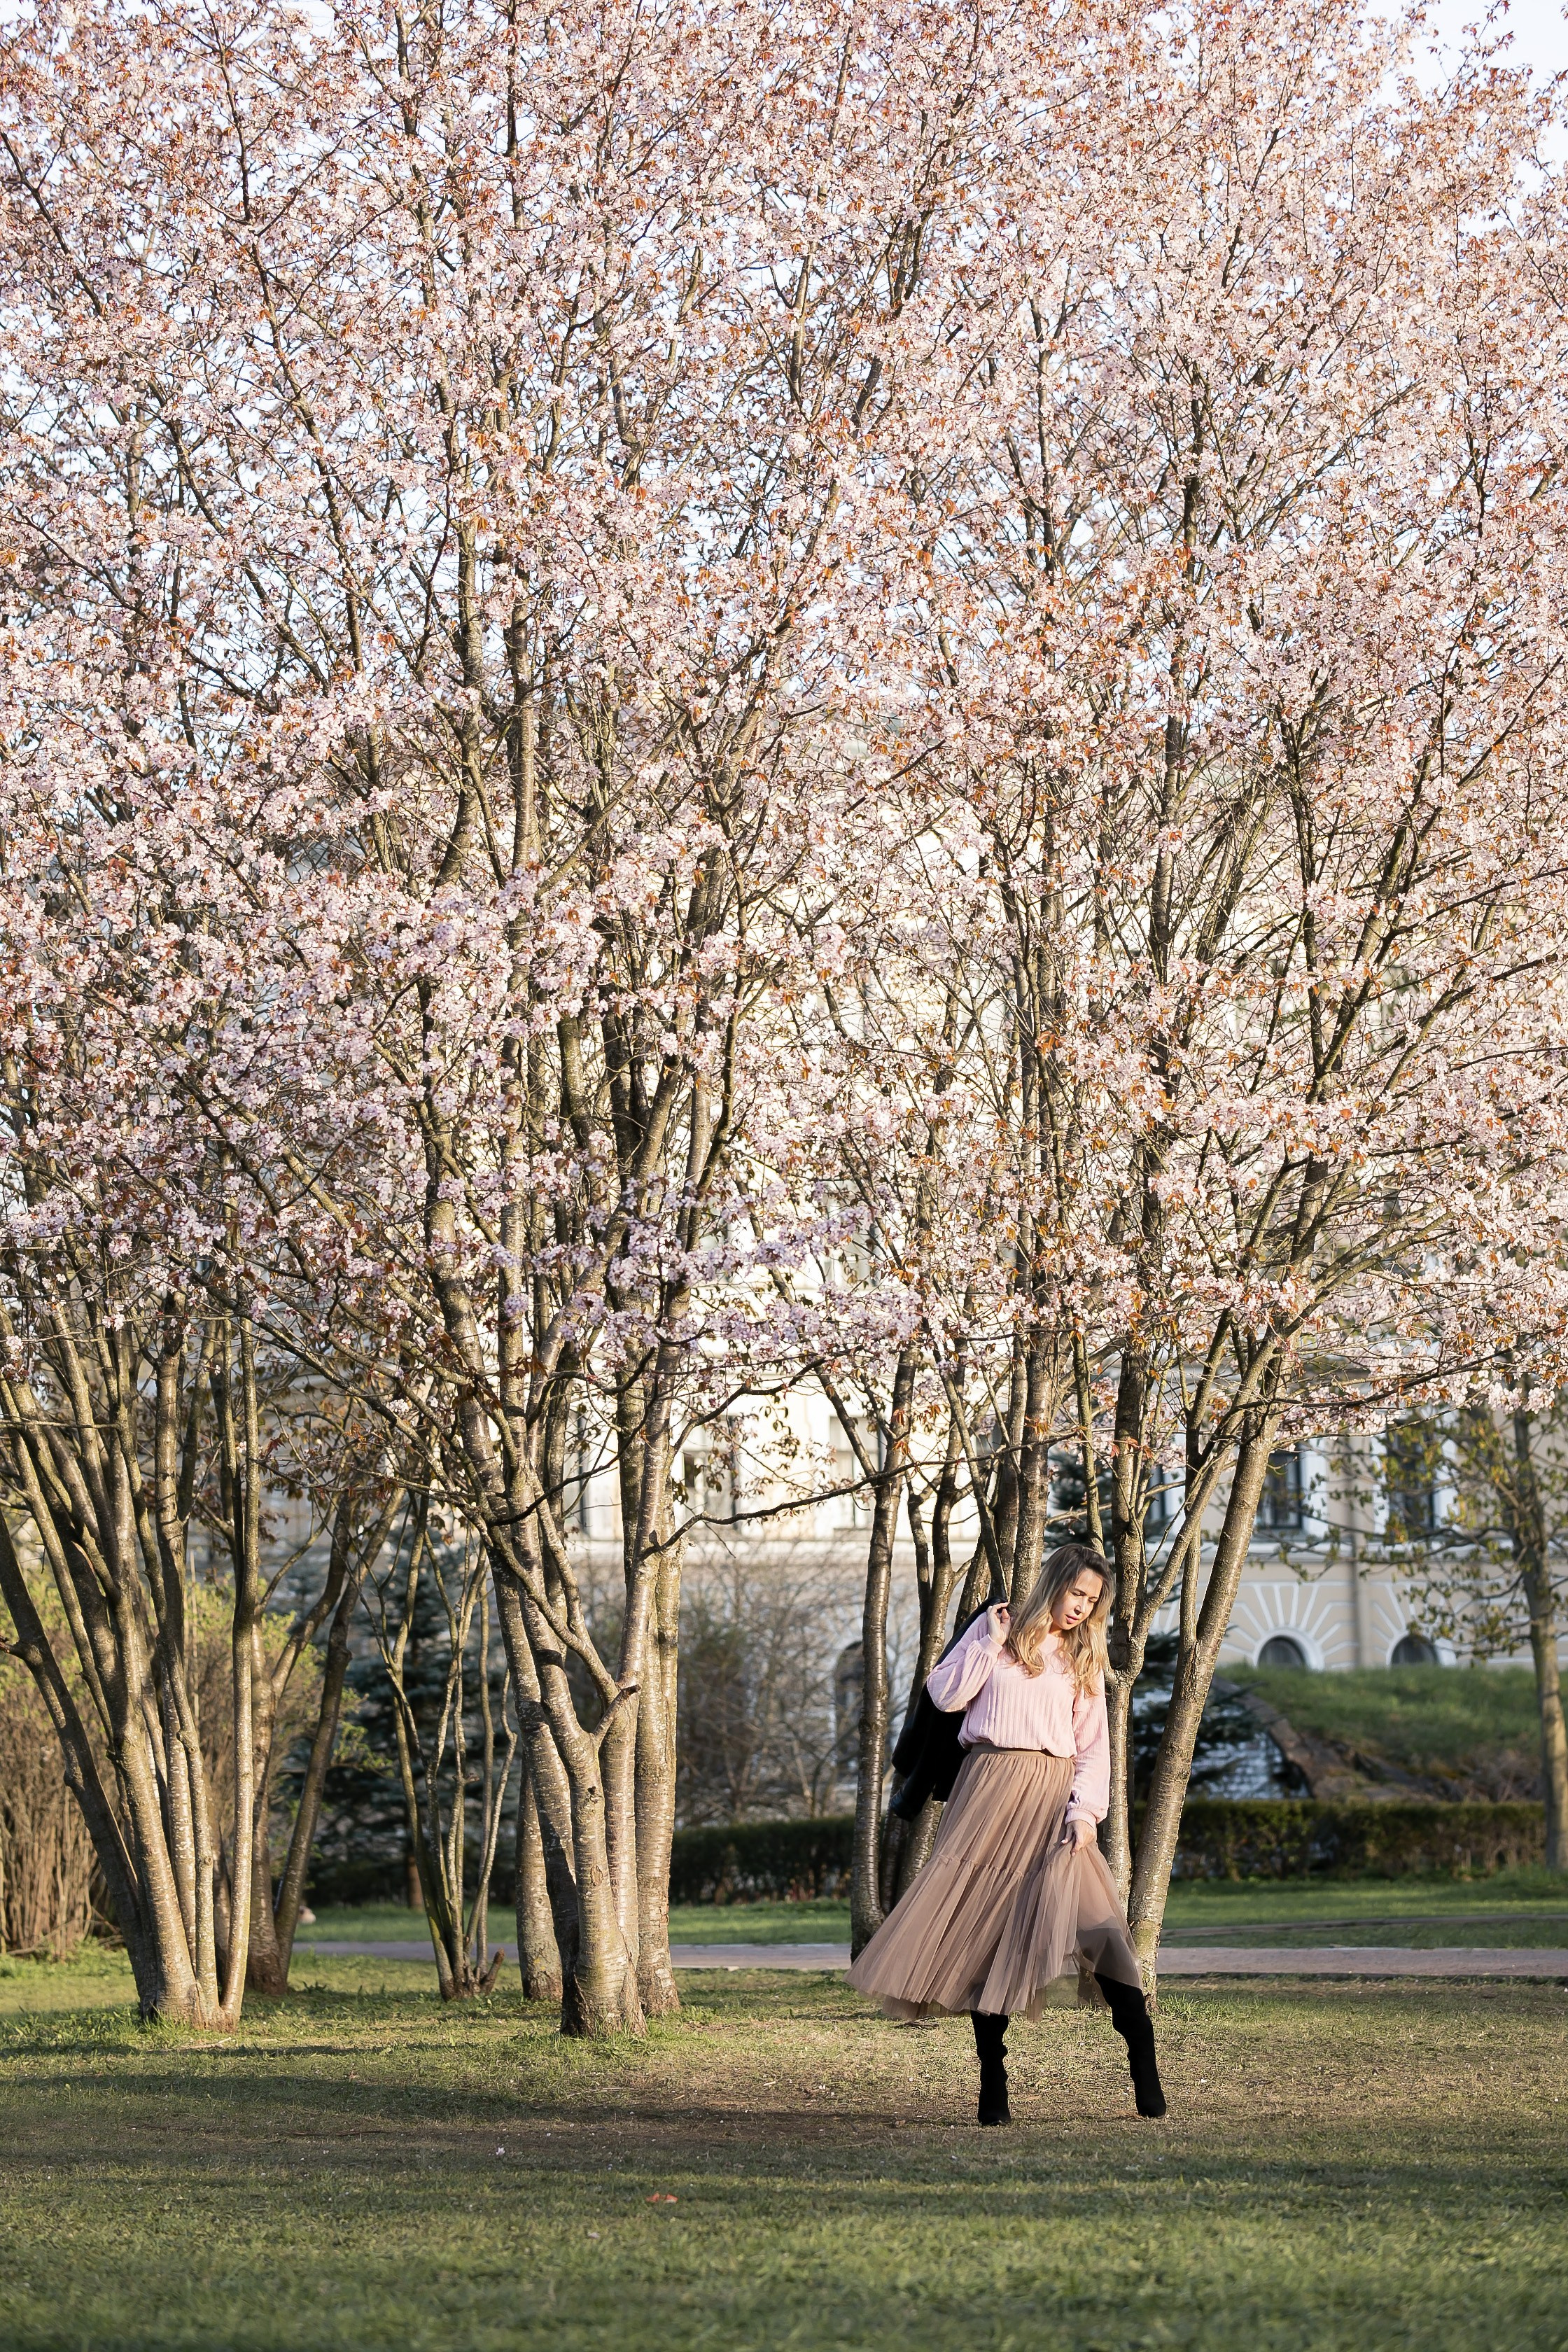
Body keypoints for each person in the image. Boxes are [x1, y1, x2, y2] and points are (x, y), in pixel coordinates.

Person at [846, 1540, 1166, 2126]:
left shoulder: (1083, 1657)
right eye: (1077, 1593)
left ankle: (1142, 2057)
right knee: (983, 1934)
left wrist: (1083, 1815)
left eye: (1093, 1602)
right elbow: (944, 1696)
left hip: (1053, 1798)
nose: (1081, 1609)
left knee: (1100, 1928)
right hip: (987, 1790)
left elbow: (1094, 1747)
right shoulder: (995, 1631)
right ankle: (993, 2080)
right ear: (1056, 1582)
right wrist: (990, 1642)